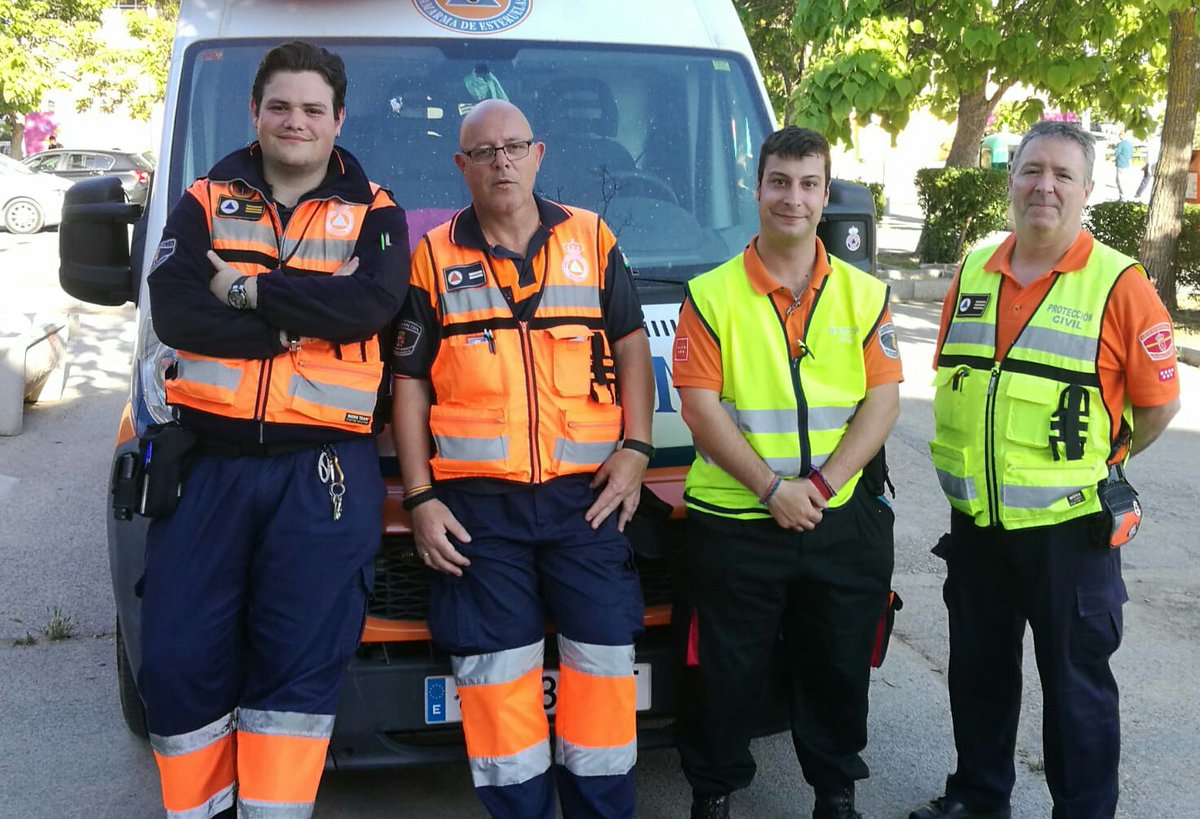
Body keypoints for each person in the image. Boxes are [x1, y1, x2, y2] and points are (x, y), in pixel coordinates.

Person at [141, 41, 409, 819]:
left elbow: (368, 309)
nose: (296, 121)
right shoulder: (203, 198)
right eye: (280, 106)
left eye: (312, 109)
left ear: (339, 121)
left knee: (297, 670)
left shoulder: (379, 213)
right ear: (255, 115)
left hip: (322, 474)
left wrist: (245, 290)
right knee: (177, 656)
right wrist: (289, 323)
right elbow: (176, 309)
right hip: (207, 467)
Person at [391, 98, 654, 819]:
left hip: (587, 502)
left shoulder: (593, 238)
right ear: (462, 166)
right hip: (480, 514)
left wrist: (636, 448)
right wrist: (419, 497)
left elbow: (633, 346)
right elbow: (407, 381)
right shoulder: (434, 255)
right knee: (500, 695)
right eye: (484, 151)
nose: (501, 161)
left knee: (601, 681)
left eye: (514, 147)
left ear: (539, 154)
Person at [910, 121, 1181, 819]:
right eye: (1032, 170)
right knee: (978, 675)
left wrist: (1102, 464)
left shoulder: (1119, 283)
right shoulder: (973, 271)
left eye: (1063, 174)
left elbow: (1155, 407)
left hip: (1071, 532)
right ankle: (978, 797)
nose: (1045, 186)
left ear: (1088, 190)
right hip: (978, 527)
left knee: (1075, 690)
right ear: (1011, 181)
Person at [672, 125, 903, 819]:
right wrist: (774, 490)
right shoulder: (711, 294)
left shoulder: (866, 295)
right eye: (779, 182)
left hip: (840, 519)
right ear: (758, 189)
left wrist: (822, 488)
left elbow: (884, 400)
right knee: (721, 673)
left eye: (808, 184)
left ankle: (835, 795)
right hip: (738, 520)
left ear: (827, 194)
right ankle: (711, 795)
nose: (792, 198)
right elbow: (700, 407)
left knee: (837, 666)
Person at [1114, 131, 1134, 200]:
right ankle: (1122, 195)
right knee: (1124, 180)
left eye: (1120, 136)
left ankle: (1122, 195)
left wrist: (1113, 158)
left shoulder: (1121, 144)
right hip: (1127, 164)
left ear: (1122, 136)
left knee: (1119, 180)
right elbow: (1131, 155)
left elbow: (1117, 153)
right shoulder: (1130, 144)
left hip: (1120, 163)